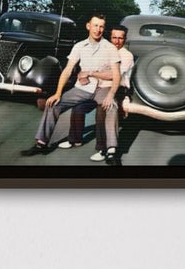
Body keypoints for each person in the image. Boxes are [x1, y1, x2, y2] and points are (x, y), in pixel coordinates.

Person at [22, 14, 120, 154]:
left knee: (112, 106)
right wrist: (58, 93)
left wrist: (111, 95)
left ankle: (111, 150)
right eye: (95, 25)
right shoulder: (79, 46)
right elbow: (67, 70)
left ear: (104, 29)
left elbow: (117, 75)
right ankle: (41, 144)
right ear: (88, 26)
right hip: (83, 87)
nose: (98, 29)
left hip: (103, 88)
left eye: (101, 26)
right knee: (53, 103)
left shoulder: (110, 48)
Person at [91, 25, 135, 163]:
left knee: (107, 106)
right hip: (101, 87)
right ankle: (107, 149)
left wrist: (96, 73)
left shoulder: (127, 56)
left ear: (125, 39)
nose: (117, 41)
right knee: (103, 104)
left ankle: (108, 150)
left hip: (120, 87)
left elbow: (115, 76)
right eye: (114, 38)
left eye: (120, 38)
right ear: (110, 38)